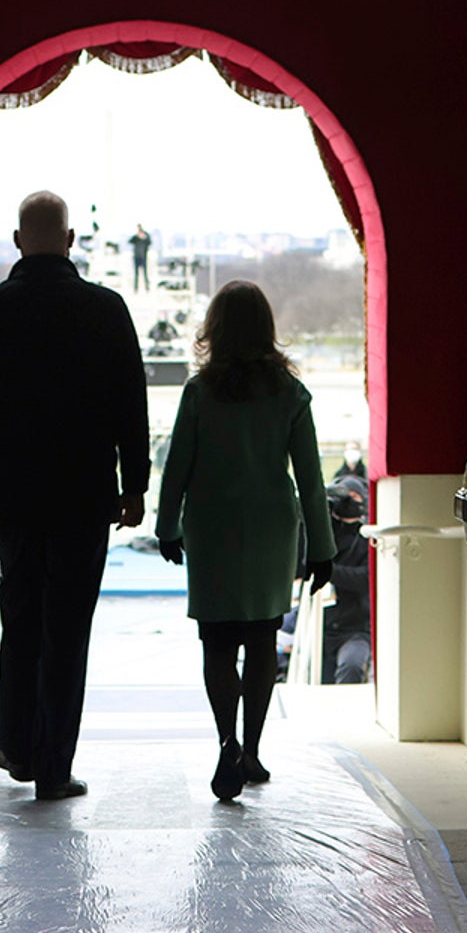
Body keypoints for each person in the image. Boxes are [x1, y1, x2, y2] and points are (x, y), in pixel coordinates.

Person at [0, 190, 150, 801]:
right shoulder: (106, 309)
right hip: (84, 494)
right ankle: (55, 765)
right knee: (68, 629)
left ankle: (16, 742)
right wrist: (134, 485)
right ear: (70, 242)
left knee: (22, 615)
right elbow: (129, 405)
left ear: (16, 242)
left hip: (11, 494)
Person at [156, 281, 335, 801]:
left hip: (211, 528)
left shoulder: (199, 391)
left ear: (215, 328)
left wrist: (167, 525)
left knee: (217, 643)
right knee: (261, 643)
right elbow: (310, 477)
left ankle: (226, 739)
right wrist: (320, 546)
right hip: (270, 531)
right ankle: (253, 749)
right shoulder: (290, 393)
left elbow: (177, 469)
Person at [322, 477, 373, 684]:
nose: (348, 501)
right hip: (323, 626)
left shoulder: (368, 537)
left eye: (354, 496)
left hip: (356, 629)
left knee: (351, 666)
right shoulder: (326, 534)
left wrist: (328, 571)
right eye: (344, 497)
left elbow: (365, 578)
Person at [130, 224, 153, 293]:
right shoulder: (136, 239)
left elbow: (149, 241)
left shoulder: (145, 239)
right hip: (137, 258)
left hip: (143, 258)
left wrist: (144, 236)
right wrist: (137, 236)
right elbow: (130, 241)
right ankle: (136, 288)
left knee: (145, 274)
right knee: (136, 274)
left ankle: (147, 287)